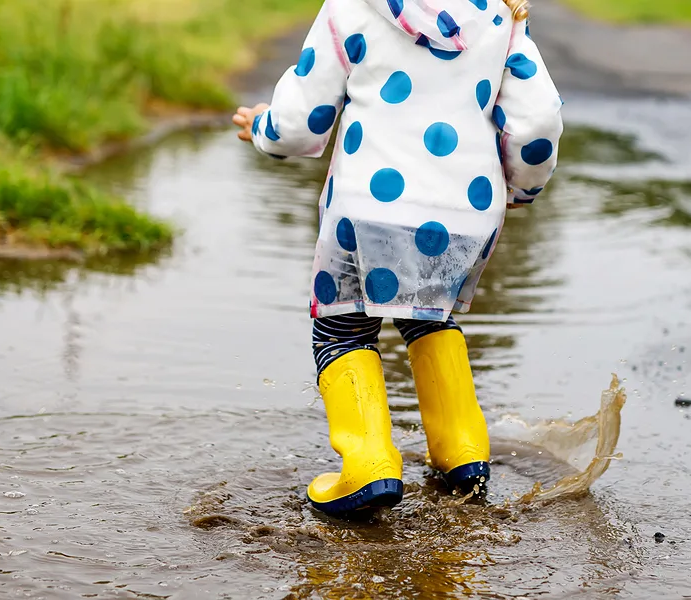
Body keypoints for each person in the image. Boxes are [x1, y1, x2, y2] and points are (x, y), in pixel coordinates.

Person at [232, 0, 563, 518]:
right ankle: (463, 457)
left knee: (344, 329)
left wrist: (262, 130)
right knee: (429, 319)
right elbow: (538, 119)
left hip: (368, 204)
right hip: (464, 209)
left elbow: (301, 123)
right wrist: (522, 189)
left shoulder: (349, 7)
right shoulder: (500, 14)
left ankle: (369, 466)